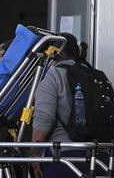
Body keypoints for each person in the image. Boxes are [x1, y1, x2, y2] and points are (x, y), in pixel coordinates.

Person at [31, 33, 105, 178]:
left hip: (64, 160)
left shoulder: (54, 75)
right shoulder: (95, 75)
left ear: (57, 52)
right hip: (100, 159)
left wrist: (35, 155)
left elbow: (44, 120)